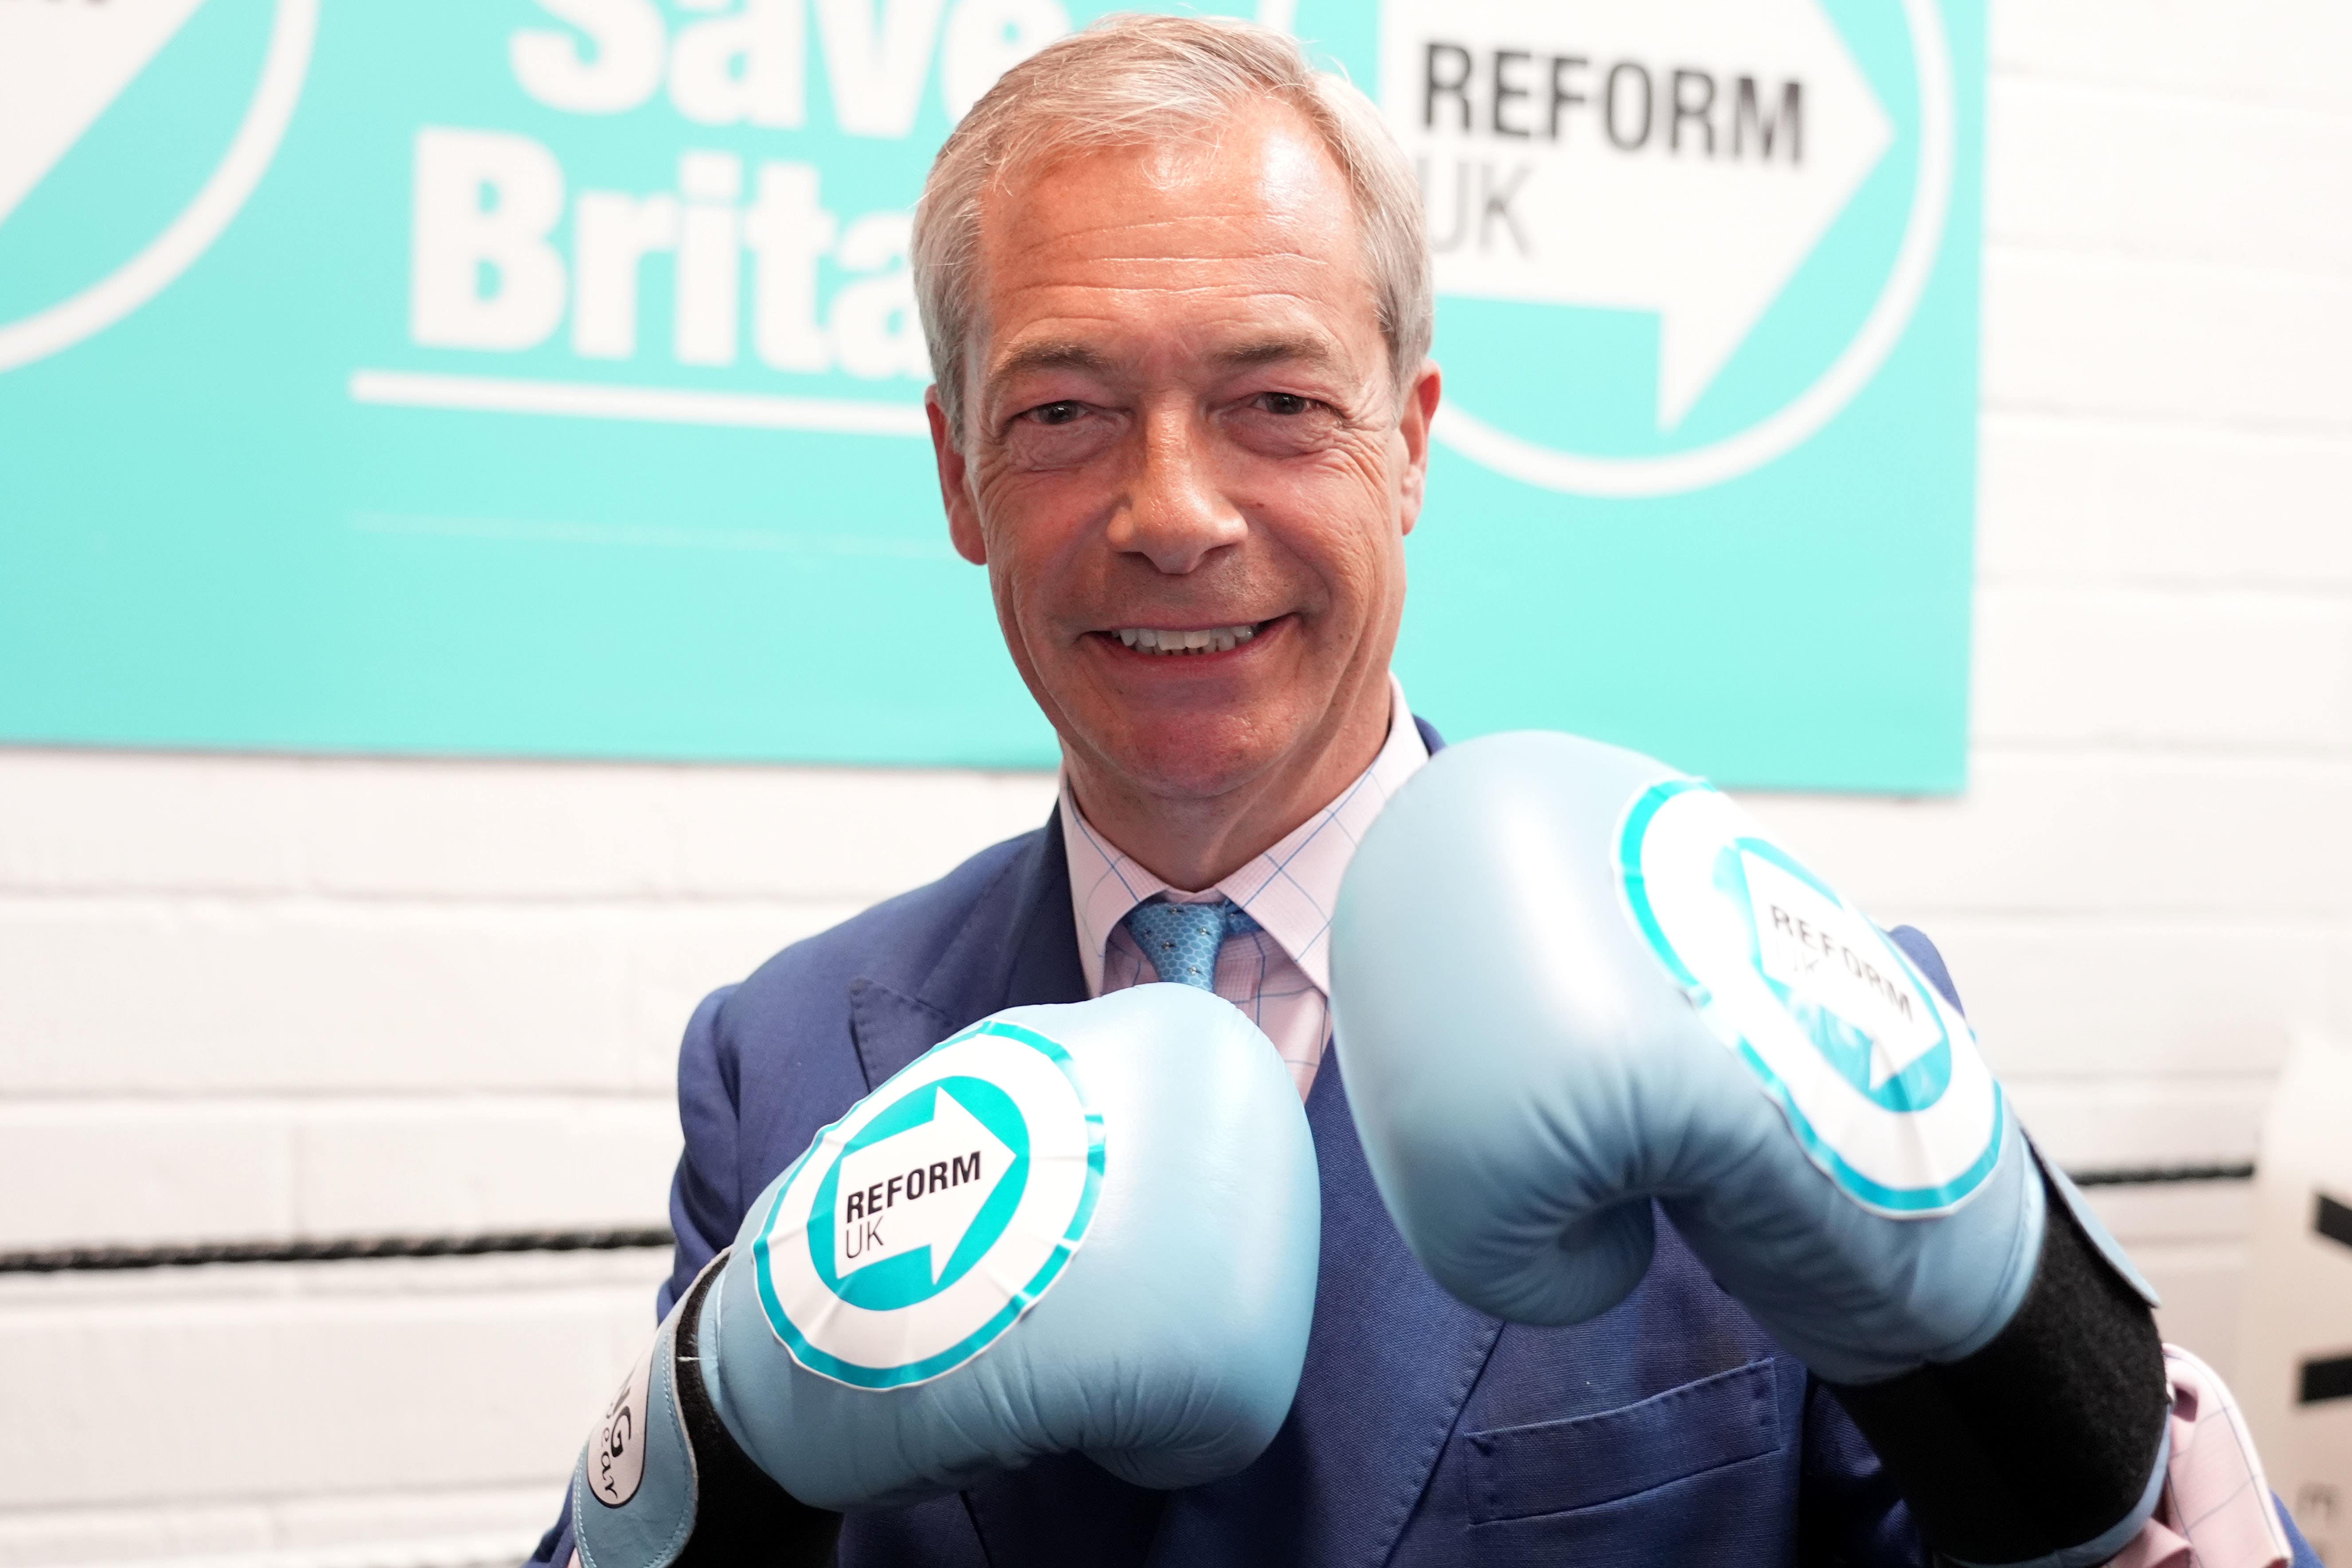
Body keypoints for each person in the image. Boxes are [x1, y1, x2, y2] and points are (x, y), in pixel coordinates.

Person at [530, 16, 2315, 1568]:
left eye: (1276, 403)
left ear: (1409, 447)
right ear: (957, 477)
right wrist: (727, 1426)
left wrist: (2031, 1340)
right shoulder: (788, 1067)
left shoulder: (1767, 995)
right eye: (1064, 412)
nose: (1173, 513)